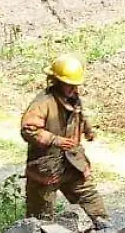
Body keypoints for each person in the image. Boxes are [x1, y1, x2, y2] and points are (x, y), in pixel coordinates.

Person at [20, 54, 108, 223]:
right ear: (57, 82)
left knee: (92, 200)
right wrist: (55, 140)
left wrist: (88, 130)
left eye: (76, 86)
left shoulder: (74, 100)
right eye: (70, 86)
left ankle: (108, 231)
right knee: (40, 219)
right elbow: (28, 129)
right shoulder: (43, 102)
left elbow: (80, 116)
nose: (75, 90)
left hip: (73, 163)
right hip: (46, 169)